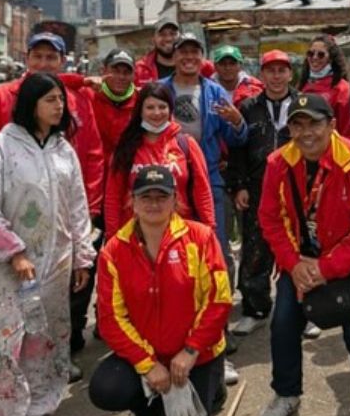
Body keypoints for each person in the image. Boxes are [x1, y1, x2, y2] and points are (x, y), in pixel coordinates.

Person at [0, 73, 96, 416]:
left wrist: (82, 257)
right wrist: (14, 252)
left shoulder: (64, 151)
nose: (59, 107)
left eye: (62, 99)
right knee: (4, 345)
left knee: (46, 342)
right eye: (50, 100)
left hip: (56, 266)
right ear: (30, 104)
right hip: (11, 269)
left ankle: (38, 412)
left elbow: (78, 207)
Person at [257, 93, 350, 416]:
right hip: (299, 258)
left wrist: (325, 268)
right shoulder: (277, 162)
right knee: (283, 322)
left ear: (332, 125)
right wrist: (294, 263)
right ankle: (286, 394)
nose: (306, 133)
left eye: (314, 123)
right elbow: (269, 219)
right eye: (297, 125)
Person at [0, 32, 105, 380]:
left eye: (52, 57)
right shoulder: (0, 98)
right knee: (12, 306)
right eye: (38, 56)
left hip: (65, 213)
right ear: (26, 58)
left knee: (61, 299)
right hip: (15, 219)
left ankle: (56, 363)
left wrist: (90, 208)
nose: (44, 63)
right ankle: (10, 379)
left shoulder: (76, 99)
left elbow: (93, 155)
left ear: (63, 61)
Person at [89, 165, 231, 416]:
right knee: (105, 389)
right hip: (149, 358)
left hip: (195, 357)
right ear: (133, 201)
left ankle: (213, 386)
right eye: (146, 197)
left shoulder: (200, 238)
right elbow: (111, 319)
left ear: (175, 200)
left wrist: (191, 351)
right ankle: (147, 410)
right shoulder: (113, 251)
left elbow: (219, 301)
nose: (154, 204)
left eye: (161, 196)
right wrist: (146, 363)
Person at [158, 32, 247, 278]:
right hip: (169, 179)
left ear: (202, 57)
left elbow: (235, 139)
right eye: (183, 51)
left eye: (194, 52)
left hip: (208, 177)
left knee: (215, 242)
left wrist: (237, 122)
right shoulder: (159, 90)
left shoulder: (215, 92)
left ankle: (219, 303)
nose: (188, 57)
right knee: (171, 245)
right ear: (174, 56)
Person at [226, 50, 298, 337]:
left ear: (290, 74)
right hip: (257, 188)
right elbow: (236, 150)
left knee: (302, 247)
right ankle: (256, 308)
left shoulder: (304, 105)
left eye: (282, 70)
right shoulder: (248, 107)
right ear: (262, 74)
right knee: (255, 250)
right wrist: (239, 185)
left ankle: (307, 309)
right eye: (271, 70)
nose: (277, 76)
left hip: (298, 189)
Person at [104, 82, 214, 240]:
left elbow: (202, 192)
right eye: (150, 108)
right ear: (140, 111)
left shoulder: (186, 145)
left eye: (162, 107)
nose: (157, 113)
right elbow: (113, 196)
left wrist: (209, 231)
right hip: (135, 237)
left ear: (170, 109)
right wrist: (112, 237)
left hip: (180, 236)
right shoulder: (125, 148)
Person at [298, 35, 350, 139]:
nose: (314, 57)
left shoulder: (342, 89)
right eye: (310, 53)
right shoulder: (303, 86)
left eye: (320, 54)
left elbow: (348, 132)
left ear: (331, 58)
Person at [91, 48, 140, 167]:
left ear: (134, 75)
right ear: (104, 71)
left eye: (126, 72)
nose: (121, 77)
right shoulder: (90, 96)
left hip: (129, 170)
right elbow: (58, 82)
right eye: (115, 71)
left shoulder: (142, 100)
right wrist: (81, 81)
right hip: (97, 170)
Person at [135, 17, 215, 86]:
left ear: (180, 36)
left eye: (173, 34)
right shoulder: (139, 69)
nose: (168, 39)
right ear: (153, 39)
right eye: (162, 34)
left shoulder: (203, 66)